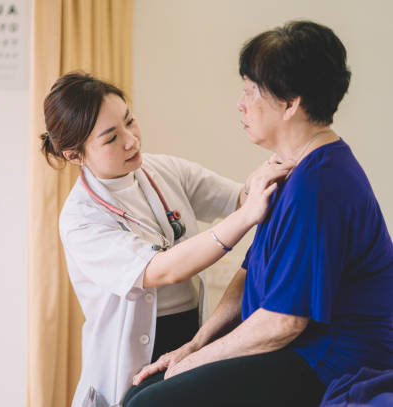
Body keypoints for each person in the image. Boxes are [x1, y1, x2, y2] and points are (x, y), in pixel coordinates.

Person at [125, 20, 393, 407]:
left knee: (149, 403)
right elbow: (251, 271)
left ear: (290, 103)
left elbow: (284, 322)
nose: (241, 102)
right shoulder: (289, 167)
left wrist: (193, 362)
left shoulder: (318, 184)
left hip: (330, 358)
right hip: (294, 344)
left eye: (252, 90)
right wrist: (196, 344)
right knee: (142, 391)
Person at [40, 71, 293, 407]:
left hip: (187, 337)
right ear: (75, 155)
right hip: (128, 362)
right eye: (111, 138)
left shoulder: (163, 171)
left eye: (130, 122)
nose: (131, 140)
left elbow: (241, 197)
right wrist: (246, 217)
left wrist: (279, 167)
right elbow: (161, 271)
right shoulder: (80, 219)